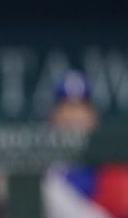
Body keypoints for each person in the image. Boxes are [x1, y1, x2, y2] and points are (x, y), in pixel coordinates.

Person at [42, 70, 128, 218]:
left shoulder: (110, 160)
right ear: (53, 114)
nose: (73, 116)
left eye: (80, 107)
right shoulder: (39, 158)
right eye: (67, 107)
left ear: (93, 115)